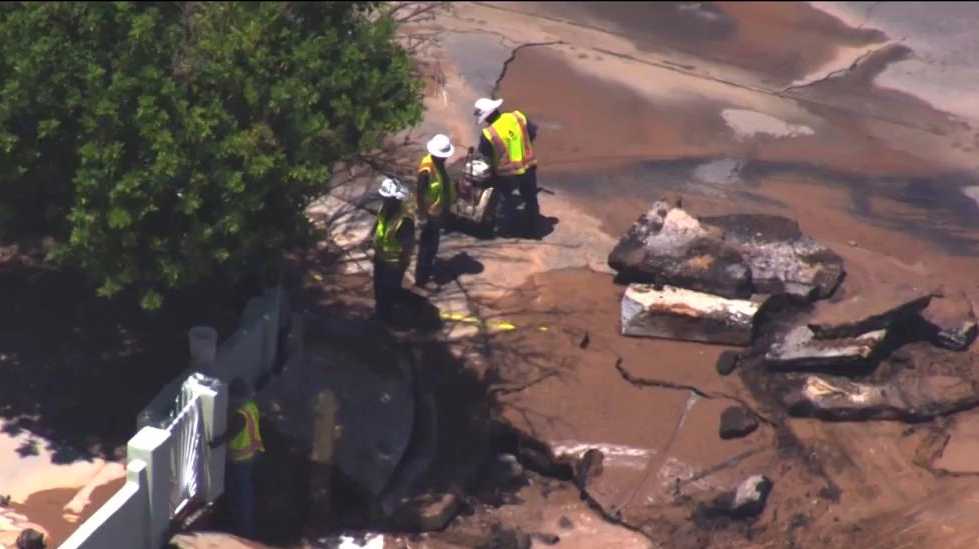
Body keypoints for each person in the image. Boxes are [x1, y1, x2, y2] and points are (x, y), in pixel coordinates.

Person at [474, 97, 541, 238]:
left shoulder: (489, 134)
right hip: (528, 166)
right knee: (530, 198)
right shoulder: (517, 117)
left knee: (505, 200)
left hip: (508, 173)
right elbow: (532, 133)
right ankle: (534, 230)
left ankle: (506, 231)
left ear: (486, 116)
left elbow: (485, 158)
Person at [210, 377, 265, 539]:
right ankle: (242, 526)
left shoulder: (240, 414)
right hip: (251, 455)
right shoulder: (251, 406)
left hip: (240, 460)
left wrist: (216, 442)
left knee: (241, 496)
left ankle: (245, 532)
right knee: (243, 492)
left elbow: (231, 433)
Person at [371, 178, 415, 322]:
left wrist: (403, 261)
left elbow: (408, 245)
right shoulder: (384, 209)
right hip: (380, 259)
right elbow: (378, 225)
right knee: (378, 289)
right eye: (384, 197)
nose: (385, 200)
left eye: (387, 198)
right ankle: (380, 313)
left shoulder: (404, 220)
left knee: (388, 293)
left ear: (395, 199)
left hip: (394, 264)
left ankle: (386, 318)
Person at [415, 134, 456, 288]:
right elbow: (420, 192)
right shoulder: (426, 169)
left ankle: (426, 272)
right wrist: (423, 215)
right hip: (430, 214)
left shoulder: (437, 164)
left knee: (432, 245)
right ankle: (421, 279)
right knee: (427, 248)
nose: (446, 159)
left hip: (437, 212)